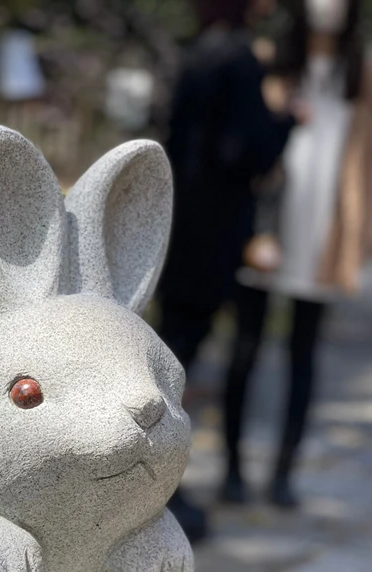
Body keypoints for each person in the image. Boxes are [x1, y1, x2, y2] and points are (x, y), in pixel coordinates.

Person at [157, 0, 299, 540]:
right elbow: (246, 151)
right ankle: (160, 488)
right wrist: (286, 122)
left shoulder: (197, 52)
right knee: (179, 361)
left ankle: (158, 485)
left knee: (171, 352)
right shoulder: (238, 59)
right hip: (214, 234)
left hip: (179, 226)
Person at [222, 0, 372, 507]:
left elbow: (363, 163)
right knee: (244, 350)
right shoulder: (273, 62)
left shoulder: (360, 71)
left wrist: (356, 242)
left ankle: (283, 473)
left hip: (321, 236)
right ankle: (232, 470)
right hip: (268, 230)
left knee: (303, 355)